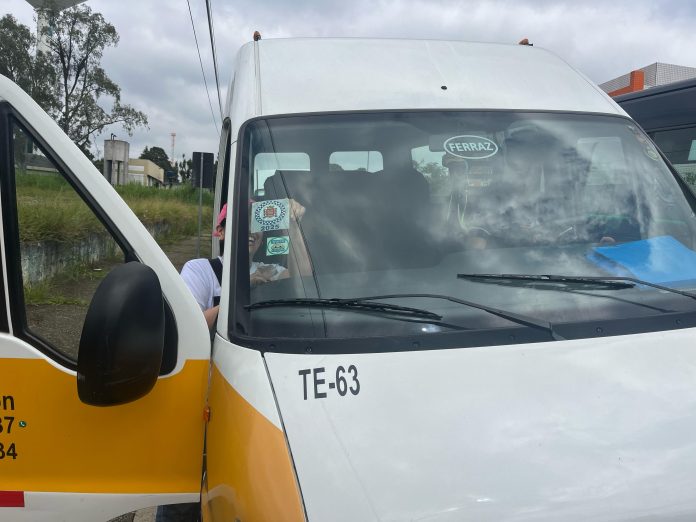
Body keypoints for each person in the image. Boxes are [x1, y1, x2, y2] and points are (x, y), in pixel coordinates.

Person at [180, 199, 308, 328]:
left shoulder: (270, 270)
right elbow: (189, 327)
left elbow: (304, 281)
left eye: (257, 223)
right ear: (221, 231)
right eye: (241, 222)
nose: (251, 229)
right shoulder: (200, 270)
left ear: (262, 239)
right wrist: (242, 291)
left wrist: (293, 226)